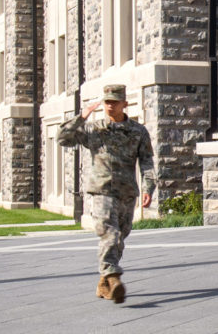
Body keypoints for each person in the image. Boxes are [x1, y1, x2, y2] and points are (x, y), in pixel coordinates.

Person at [58, 83, 155, 303]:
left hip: (127, 191)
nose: (110, 106)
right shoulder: (94, 129)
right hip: (102, 190)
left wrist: (149, 188)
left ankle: (104, 284)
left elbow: (147, 162)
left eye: (114, 102)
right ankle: (113, 276)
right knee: (108, 233)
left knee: (120, 236)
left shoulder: (138, 131)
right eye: (107, 102)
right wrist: (81, 117)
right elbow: (63, 138)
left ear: (124, 104)